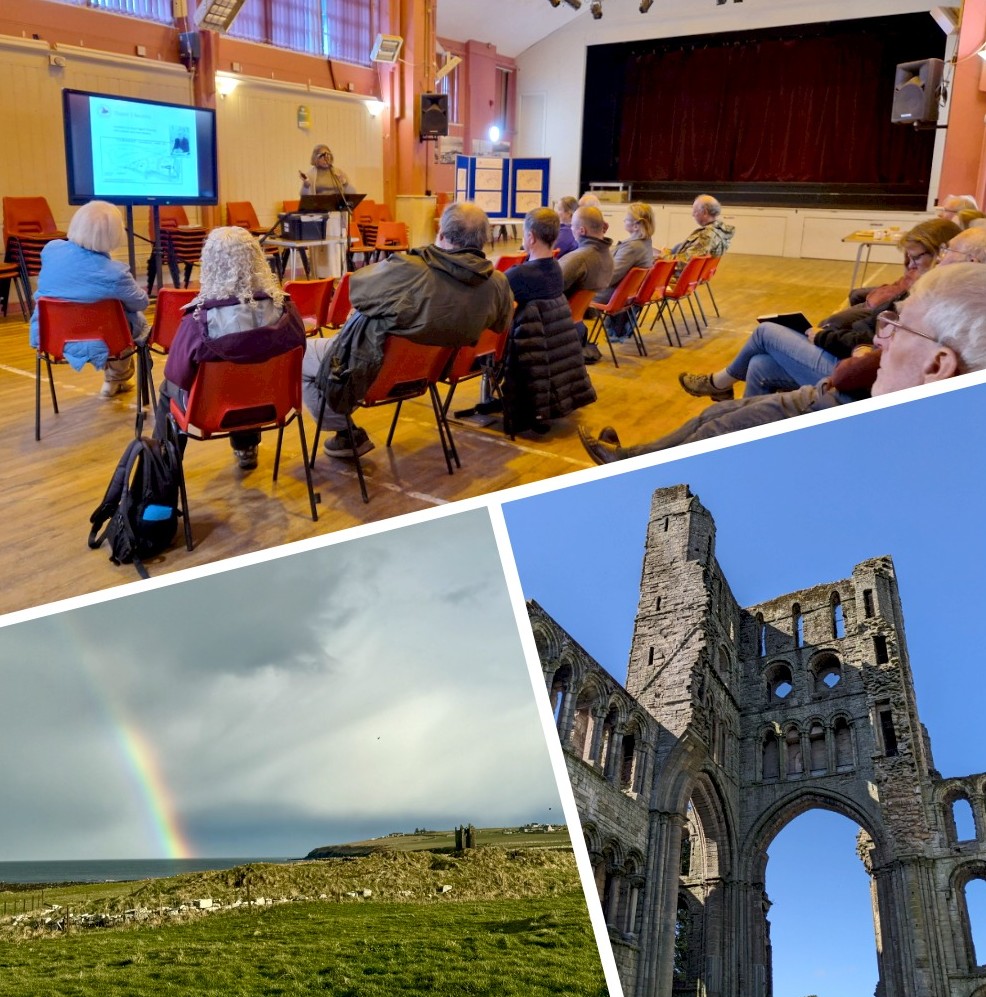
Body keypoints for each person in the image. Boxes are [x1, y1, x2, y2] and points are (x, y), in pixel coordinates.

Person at [579, 262, 986, 463]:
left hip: (834, 396)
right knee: (745, 382)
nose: (884, 336)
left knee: (723, 415)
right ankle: (633, 457)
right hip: (833, 392)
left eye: (898, 326)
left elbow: (848, 372)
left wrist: (852, 349)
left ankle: (639, 462)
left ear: (937, 365)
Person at [302, 201, 513, 457]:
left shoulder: (410, 269)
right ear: (483, 240)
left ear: (441, 235)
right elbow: (500, 325)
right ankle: (345, 431)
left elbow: (357, 293)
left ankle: (346, 434)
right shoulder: (498, 283)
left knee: (302, 355)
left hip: (376, 369)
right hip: (426, 372)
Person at [678, 218, 959, 401]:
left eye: (916, 258)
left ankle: (720, 383)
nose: (909, 266)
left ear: (941, 254)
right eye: (907, 258)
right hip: (849, 355)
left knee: (765, 332)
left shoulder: (925, 302)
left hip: (850, 371)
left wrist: (822, 337)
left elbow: (868, 346)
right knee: (758, 364)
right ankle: (749, 432)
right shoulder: (922, 291)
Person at [153, 227, 306, 470]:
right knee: (254, 367)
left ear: (210, 264)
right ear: (257, 258)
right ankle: (246, 447)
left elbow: (177, 375)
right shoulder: (287, 309)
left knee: (166, 391)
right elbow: (299, 353)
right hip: (274, 403)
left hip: (212, 411)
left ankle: (162, 476)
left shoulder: (198, 321)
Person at [29, 200, 149, 398]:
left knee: (113, 316)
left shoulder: (51, 250)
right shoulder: (116, 274)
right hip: (105, 340)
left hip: (50, 337)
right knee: (128, 319)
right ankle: (117, 377)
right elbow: (141, 303)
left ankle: (115, 379)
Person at [500, 207, 596, 433]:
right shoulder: (555, 269)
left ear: (530, 237)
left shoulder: (517, 276)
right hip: (551, 361)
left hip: (525, 356)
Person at [598, 201, 655, 341]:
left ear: (636, 225)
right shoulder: (645, 242)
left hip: (611, 294)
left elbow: (610, 277)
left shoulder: (632, 248)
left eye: (627, 218)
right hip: (624, 294)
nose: (624, 220)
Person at [663, 195, 734, 264]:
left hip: (679, 271)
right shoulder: (720, 230)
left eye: (695, 211)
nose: (693, 214)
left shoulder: (706, 235)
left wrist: (662, 256)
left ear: (705, 212)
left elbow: (685, 261)